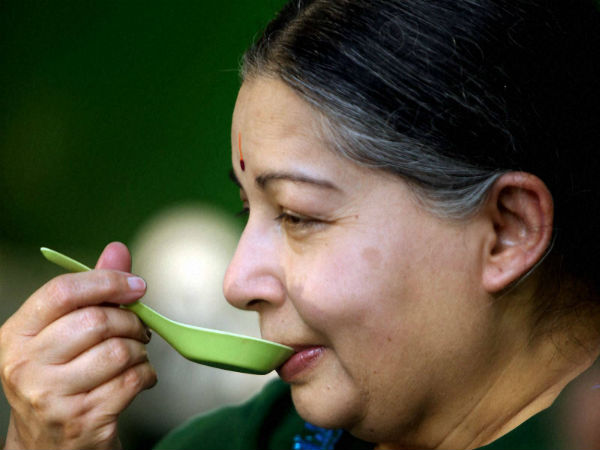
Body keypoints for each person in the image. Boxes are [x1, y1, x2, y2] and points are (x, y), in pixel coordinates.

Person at [1, 0, 599, 448]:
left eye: (297, 215)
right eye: (248, 211)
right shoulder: (258, 437)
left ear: (507, 231)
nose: (237, 283)